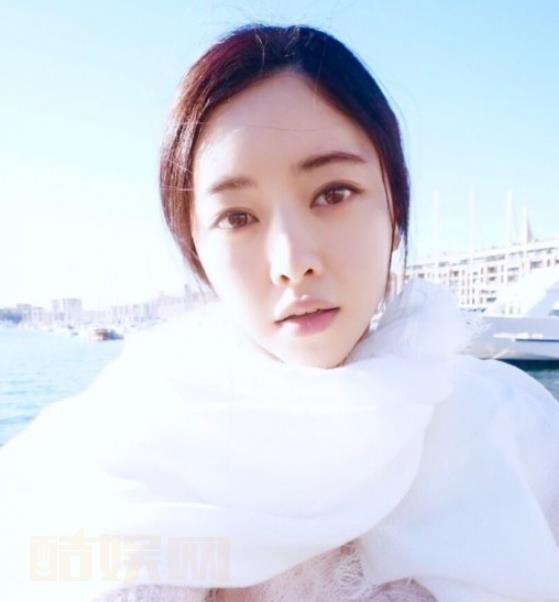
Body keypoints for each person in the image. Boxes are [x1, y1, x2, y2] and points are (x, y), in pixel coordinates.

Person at [1, 22, 559, 602]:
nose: (293, 262)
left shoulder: (515, 432)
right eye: (238, 218)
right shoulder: (110, 452)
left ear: (395, 209)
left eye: (333, 193)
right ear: (197, 250)